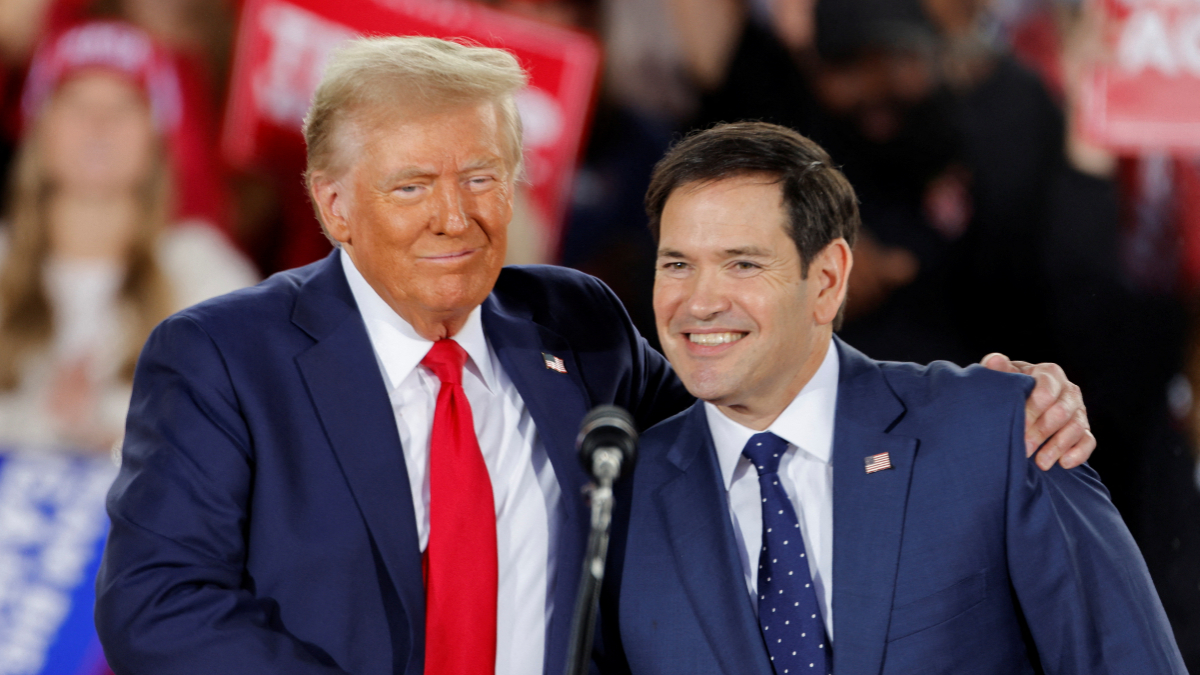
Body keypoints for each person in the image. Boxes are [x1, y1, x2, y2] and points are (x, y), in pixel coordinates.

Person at [95, 37, 1093, 675]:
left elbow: (756, 394)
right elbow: (157, 604)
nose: (455, 215)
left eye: (483, 175)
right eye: (411, 187)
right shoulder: (224, 355)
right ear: (331, 202)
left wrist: (971, 402)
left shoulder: (574, 326)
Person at [599, 121, 1185, 674]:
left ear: (827, 280)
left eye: (742, 264)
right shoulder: (618, 500)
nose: (699, 302)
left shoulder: (1000, 431)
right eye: (677, 264)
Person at [0, 21, 256, 453]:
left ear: (156, 138)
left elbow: (239, 432)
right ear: (38, 128)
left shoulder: (206, 273)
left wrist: (105, 436)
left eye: (124, 106)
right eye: (75, 102)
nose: (98, 125)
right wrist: (48, 425)